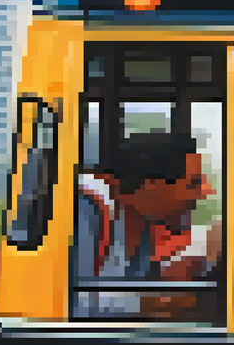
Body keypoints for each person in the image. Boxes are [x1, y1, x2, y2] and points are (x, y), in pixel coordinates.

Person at [73, 130, 221, 318]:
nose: (204, 193)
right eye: (193, 184)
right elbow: (67, 303)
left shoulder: (142, 227)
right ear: (152, 186)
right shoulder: (84, 209)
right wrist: (150, 302)